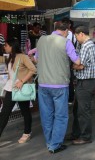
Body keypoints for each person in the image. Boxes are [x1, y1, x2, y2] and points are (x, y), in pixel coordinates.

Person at [36, 22, 80, 153]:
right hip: (59, 84)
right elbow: (77, 61)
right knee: (60, 115)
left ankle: (49, 141)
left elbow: (36, 58)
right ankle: (55, 145)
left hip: (43, 83)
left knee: (46, 115)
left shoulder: (41, 40)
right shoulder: (66, 42)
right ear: (66, 31)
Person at [0, 38, 36, 143]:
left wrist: (22, 81)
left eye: (6, 45)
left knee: (25, 111)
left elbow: (33, 69)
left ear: (12, 46)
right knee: (4, 113)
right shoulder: (9, 57)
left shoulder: (23, 56)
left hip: (21, 88)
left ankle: (27, 132)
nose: (4, 47)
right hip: (11, 88)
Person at [71, 26, 95, 145]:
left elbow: (80, 65)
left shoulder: (87, 46)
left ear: (81, 34)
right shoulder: (87, 45)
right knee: (77, 109)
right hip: (85, 81)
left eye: (76, 36)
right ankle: (77, 133)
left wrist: (74, 66)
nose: (76, 38)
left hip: (86, 82)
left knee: (83, 110)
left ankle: (86, 136)